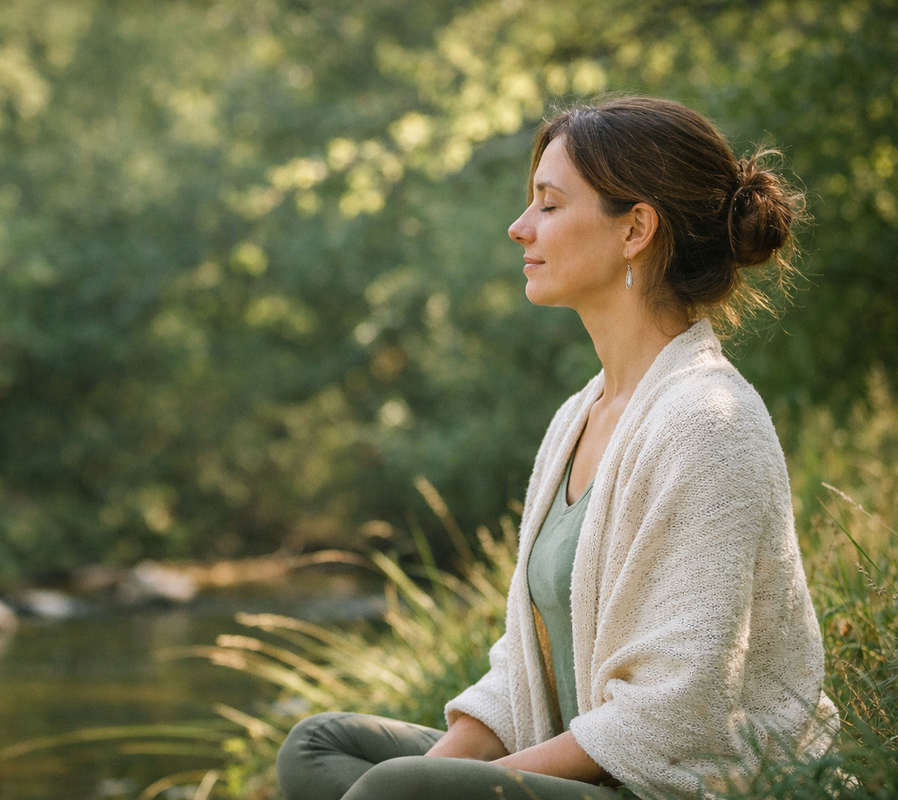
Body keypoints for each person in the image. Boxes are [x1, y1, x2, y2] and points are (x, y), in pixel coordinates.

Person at [276, 96, 838, 800]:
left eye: (548, 204)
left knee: (397, 791)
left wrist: (437, 788)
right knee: (319, 748)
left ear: (635, 229)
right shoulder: (581, 415)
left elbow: (677, 716)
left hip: (677, 783)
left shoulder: (710, 423)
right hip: (585, 758)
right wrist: (442, 776)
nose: (519, 227)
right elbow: (526, 668)